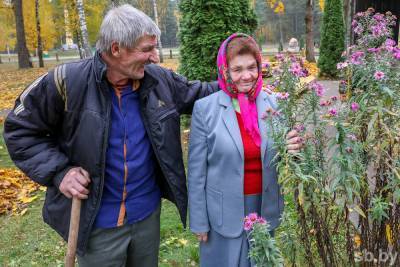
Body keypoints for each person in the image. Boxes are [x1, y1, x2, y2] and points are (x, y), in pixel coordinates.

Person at [3, 4, 218, 266]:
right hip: (96, 224)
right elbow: (20, 128)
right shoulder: (65, 81)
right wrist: (60, 172)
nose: (155, 58)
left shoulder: (159, 80)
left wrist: (244, 79)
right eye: (147, 49)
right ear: (116, 49)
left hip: (146, 218)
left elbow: (202, 93)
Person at [188, 33, 302, 267]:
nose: (247, 76)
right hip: (222, 212)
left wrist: (295, 149)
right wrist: (199, 220)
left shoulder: (274, 103)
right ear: (225, 70)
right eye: (237, 69)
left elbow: (289, 156)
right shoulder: (205, 109)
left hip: (263, 206)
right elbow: (196, 172)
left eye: (252, 67)